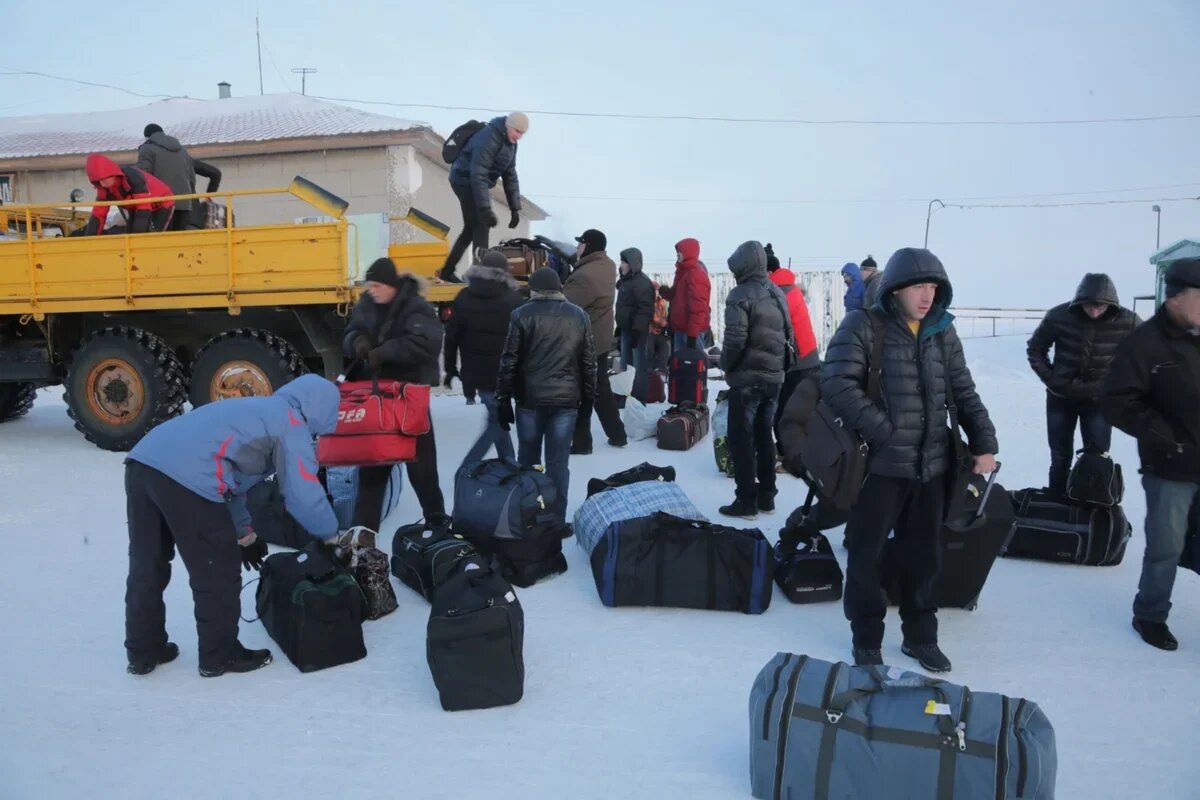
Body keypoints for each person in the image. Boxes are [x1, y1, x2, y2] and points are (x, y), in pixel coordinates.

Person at [821, 247, 998, 673]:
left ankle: (921, 637)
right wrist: (883, 430)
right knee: (867, 555)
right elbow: (836, 382)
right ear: (896, 288)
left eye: (934, 287)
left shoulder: (942, 331)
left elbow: (963, 389)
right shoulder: (864, 325)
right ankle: (866, 639)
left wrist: (983, 442)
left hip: (932, 467)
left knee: (925, 557)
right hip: (878, 470)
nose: (927, 295)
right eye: (919, 286)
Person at [123, 374, 340, 677]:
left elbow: (231, 484)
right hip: (187, 476)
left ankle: (143, 650)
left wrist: (245, 536)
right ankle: (219, 655)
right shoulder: (291, 425)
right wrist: (331, 537)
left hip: (143, 463)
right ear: (322, 410)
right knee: (217, 571)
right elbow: (303, 492)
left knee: (148, 564)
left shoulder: (257, 410)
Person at [1101, 258, 1200, 652]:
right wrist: (1165, 436)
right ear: (1177, 298)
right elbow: (1116, 400)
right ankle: (1150, 615)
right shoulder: (1144, 343)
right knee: (1166, 546)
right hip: (1170, 466)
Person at [344, 258, 446, 528]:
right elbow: (350, 332)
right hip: (376, 401)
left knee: (423, 472)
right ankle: (363, 539)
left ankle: (437, 528)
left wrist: (383, 352)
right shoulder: (366, 303)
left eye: (377, 285)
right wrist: (357, 342)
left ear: (391, 285)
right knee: (371, 474)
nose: (372, 290)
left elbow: (426, 343)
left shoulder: (417, 307)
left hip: (409, 399)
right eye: (370, 285)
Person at [496, 268, 597, 524]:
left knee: (528, 461)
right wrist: (588, 401)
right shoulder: (579, 316)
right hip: (566, 402)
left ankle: (528, 516)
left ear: (534, 289)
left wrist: (503, 399)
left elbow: (509, 360)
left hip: (529, 400)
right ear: (559, 289)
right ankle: (555, 519)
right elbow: (588, 364)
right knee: (558, 464)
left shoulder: (520, 315)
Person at [1027, 273, 1139, 495]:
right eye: (1090, 306)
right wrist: (1052, 379)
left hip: (1099, 401)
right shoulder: (1059, 316)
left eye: (1101, 307)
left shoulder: (1129, 321)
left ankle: (1091, 507)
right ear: (1080, 301)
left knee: (1097, 456)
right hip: (1060, 398)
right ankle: (1057, 501)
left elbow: (1144, 355)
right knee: (1060, 456)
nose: (1095, 311)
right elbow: (1035, 349)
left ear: (1111, 304)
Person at [718, 241, 795, 519]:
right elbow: (790, 333)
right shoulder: (776, 291)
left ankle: (746, 500)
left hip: (748, 379)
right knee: (764, 436)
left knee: (741, 439)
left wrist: (725, 364)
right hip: (774, 377)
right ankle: (767, 497)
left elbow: (735, 339)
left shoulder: (740, 294)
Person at [444, 249, 525, 467]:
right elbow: (523, 341)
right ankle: (468, 466)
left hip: (476, 373)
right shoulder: (513, 300)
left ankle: (510, 464)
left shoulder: (463, 296)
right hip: (505, 374)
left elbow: (451, 338)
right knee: (497, 422)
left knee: (497, 420)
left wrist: (450, 368)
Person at [439, 112, 529, 283]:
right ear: (508, 126)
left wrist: (514, 208)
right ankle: (480, 276)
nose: (518, 136)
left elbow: (510, 175)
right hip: (463, 179)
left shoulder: (511, 145)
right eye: (517, 131)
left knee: (471, 228)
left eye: (522, 133)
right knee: (481, 224)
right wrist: (485, 209)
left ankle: (447, 271)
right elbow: (478, 174)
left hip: (477, 182)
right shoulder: (488, 137)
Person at [564, 228, 626, 452]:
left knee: (582, 392)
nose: (577, 247)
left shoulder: (585, 276)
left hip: (585, 341)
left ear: (589, 247)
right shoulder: (606, 265)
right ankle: (617, 434)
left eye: (580, 244)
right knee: (599, 388)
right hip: (599, 337)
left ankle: (582, 442)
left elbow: (564, 304)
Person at [767, 244, 821, 430]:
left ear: (768, 273)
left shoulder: (780, 294)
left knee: (788, 415)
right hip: (806, 359)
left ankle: (791, 454)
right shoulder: (787, 288)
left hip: (799, 363)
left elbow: (773, 329)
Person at [136, 123, 222, 230]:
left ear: (147, 137)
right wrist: (209, 196)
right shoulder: (182, 152)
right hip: (188, 211)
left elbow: (142, 178)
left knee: (163, 243)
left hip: (163, 207)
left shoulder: (147, 149)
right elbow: (212, 174)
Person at [82, 154, 174, 235]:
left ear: (113, 174)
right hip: (136, 208)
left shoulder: (134, 178)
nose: (102, 184)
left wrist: (137, 237)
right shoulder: (105, 189)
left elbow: (143, 208)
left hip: (162, 202)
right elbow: (98, 214)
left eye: (104, 179)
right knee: (130, 234)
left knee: (155, 236)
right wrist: (90, 240)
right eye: (99, 181)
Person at [615, 246, 655, 401]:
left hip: (637, 332)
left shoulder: (641, 283)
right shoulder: (627, 281)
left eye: (624, 262)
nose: (621, 265)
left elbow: (645, 308)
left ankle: (639, 400)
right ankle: (627, 397)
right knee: (626, 367)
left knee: (638, 368)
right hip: (626, 330)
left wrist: (638, 332)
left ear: (632, 264)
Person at [660, 237, 712, 352]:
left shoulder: (695, 275)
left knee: (692, 366)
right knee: (681, 366)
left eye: (680, 252)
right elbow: (676, 295)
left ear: (688, 253)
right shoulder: (682, 272)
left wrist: (692, 334)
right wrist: (664, 291)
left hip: (691, 331)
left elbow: (698, 308)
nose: (677, 255)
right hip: (681, 329)